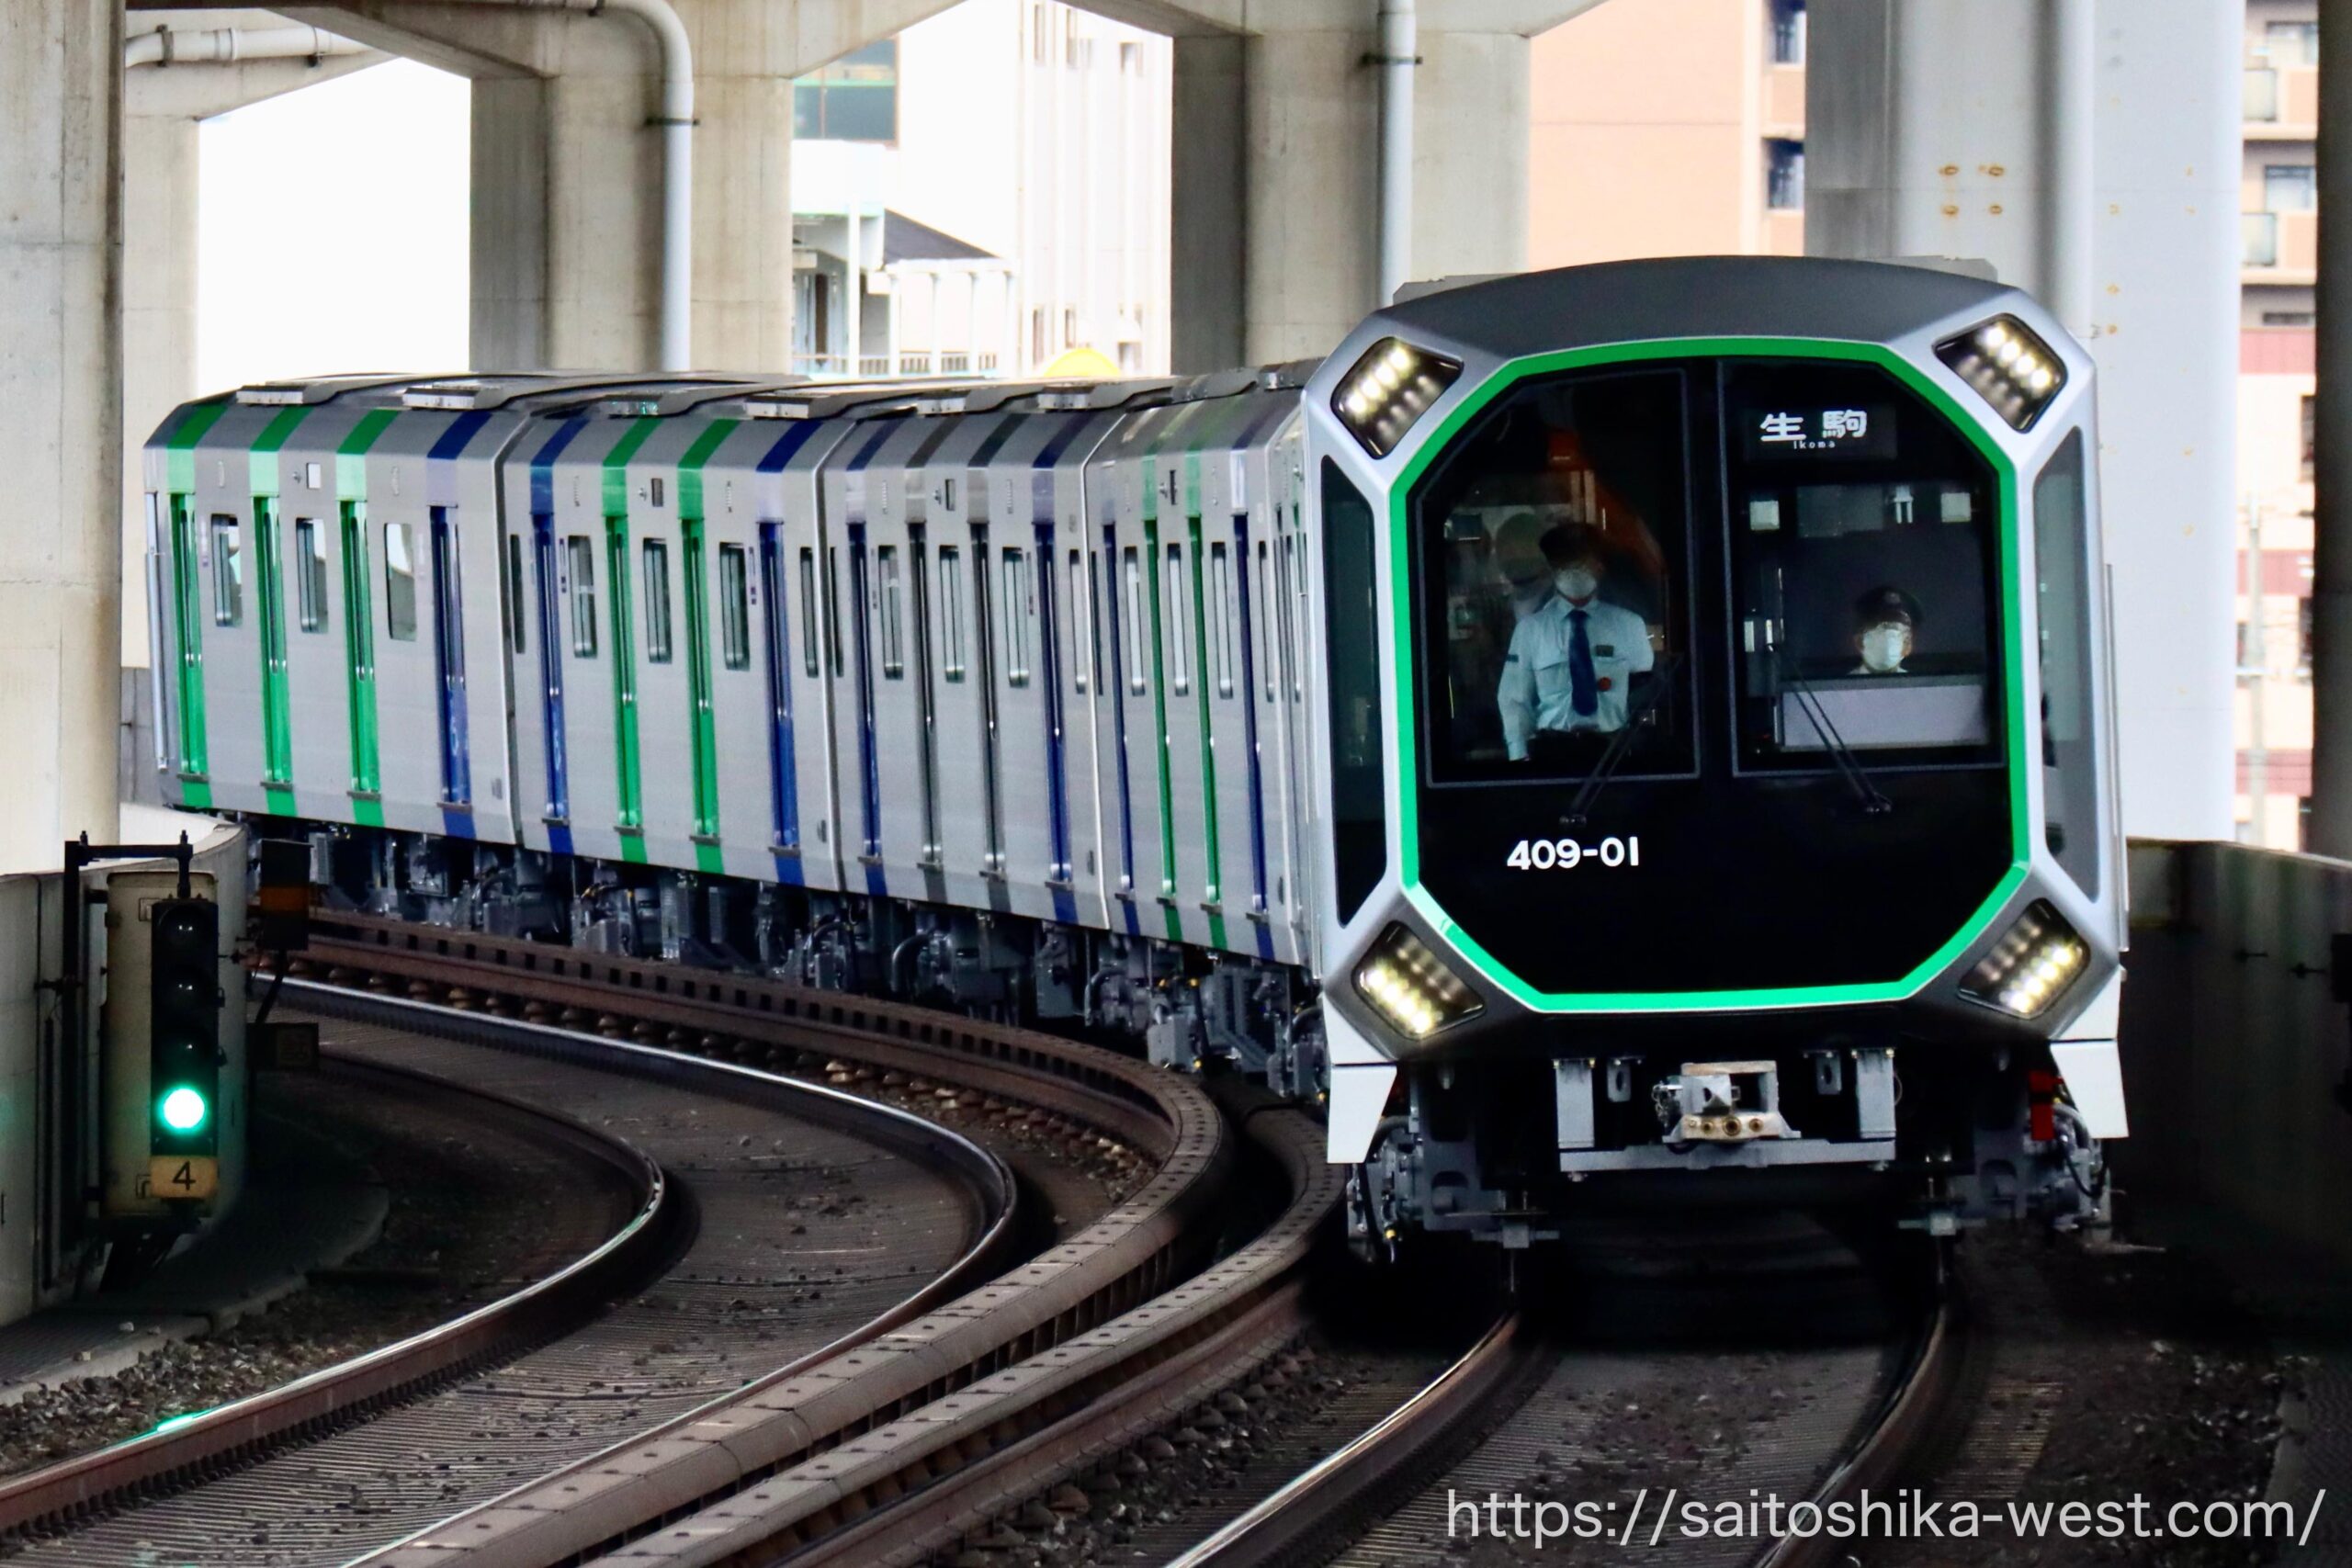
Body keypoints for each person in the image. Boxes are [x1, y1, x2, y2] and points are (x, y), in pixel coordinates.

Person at [1498, 523, 1655, 761]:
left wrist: (1643, 750)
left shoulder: (1629, 626)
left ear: (1599, 567)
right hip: (1552, 753)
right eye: (1564, 565)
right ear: (1552, 571)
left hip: (1611, 755)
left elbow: (1645, 694)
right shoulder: (1531, 630)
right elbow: (1515, 700)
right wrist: (1519, 756)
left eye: (1582, 563)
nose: (1573, 572)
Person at [1850, 585, 1922, 675]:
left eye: (1896, 629)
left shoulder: (1923, 684)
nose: (1888, 635)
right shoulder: (1839, 684)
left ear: (1908, 646)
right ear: (1859, 642)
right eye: (1880, 628)